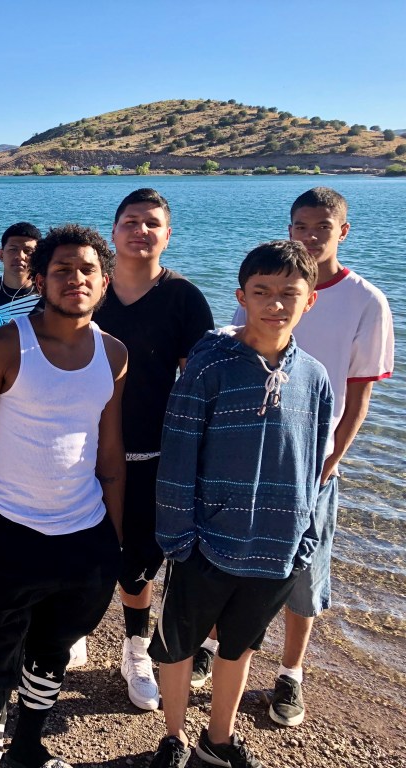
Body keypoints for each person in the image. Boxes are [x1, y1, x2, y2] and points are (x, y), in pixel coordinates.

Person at [145, 240, 332, 768]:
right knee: (179, 646)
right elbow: (177, 456)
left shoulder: (315, 379)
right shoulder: (209, 370)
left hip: (276, 550)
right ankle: (175, 736)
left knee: (239, 649)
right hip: (205, 544)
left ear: (309, 300)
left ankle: (218, 738)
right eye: (262, 293)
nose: (275, 304)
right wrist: (179, 538)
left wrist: (306, 538)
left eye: (289, 294)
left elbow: (315, 466)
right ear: (241, 298)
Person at [0, 224, 126, 768]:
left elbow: (111, 457)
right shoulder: (6, 344)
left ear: (104, 281)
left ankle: (28, 747)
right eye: (62, 270)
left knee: (53, 650)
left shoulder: (114, 354)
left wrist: (114, 541)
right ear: (41, 278)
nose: (76, 279)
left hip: (85, 535)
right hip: (11, 531)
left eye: (87, 270)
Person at [227, 188, 394, 727]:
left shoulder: (366, 301)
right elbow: (241, 354)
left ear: (342, 231)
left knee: (305, 572)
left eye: (322, 226)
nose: (310, 234)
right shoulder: (270, 284)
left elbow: (360, 394)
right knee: (231, 557)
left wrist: (332, 459)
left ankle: (291, 673)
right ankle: (215, 647)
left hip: (314, 465)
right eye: (301, 225)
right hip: (251, 453)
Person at [91, 188, 214, 709]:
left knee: (142, 558)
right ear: (114, 231)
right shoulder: (90, 290)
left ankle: (136, 645)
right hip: (83, 449)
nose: (141, 230)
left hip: (156, 455)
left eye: (152, 223)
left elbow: (203, 381)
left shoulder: (183, 298)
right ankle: (75, 626)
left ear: (168, 235)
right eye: (130, 221)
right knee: (83, 546)